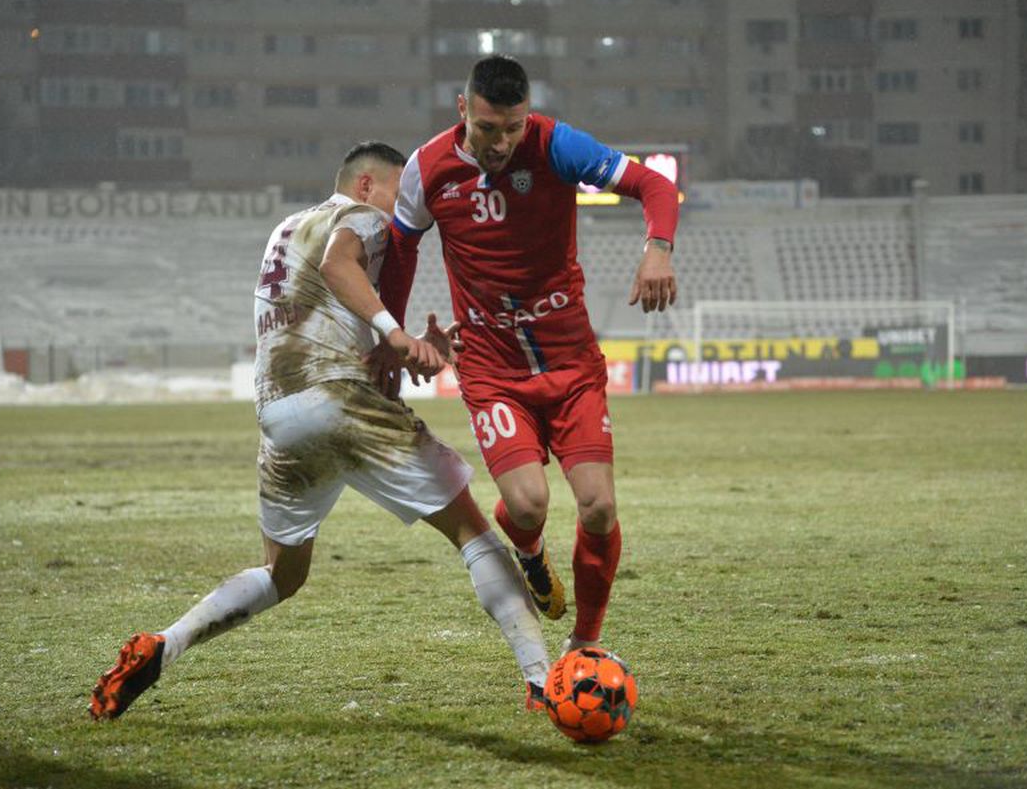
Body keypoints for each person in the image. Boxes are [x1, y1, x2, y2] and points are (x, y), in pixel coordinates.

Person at [89, 142, 550, 720]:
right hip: (338, 396)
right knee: (474, 533)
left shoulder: (285, 228)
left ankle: (166, 643)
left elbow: (323, 312)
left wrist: (401, 344)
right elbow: (343, 263)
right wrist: (398, 335)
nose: (407, 211)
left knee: (282, 573)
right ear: (365, 185)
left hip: (279, 413)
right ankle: (543, 682)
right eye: (397, 194)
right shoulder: (363, 218)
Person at [381, 55, 679, 654]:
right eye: (489, 128)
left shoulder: (555, 145)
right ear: (463, 109)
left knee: (597, 507)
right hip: (493, 370)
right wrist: (393, 336)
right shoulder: (427, 167)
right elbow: (401, 251)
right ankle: (531, 550)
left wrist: (658, 250)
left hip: (571, 365)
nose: (502, 142)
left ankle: (584, 646)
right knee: (528, 503)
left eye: (512, 127)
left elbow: (656, 185)